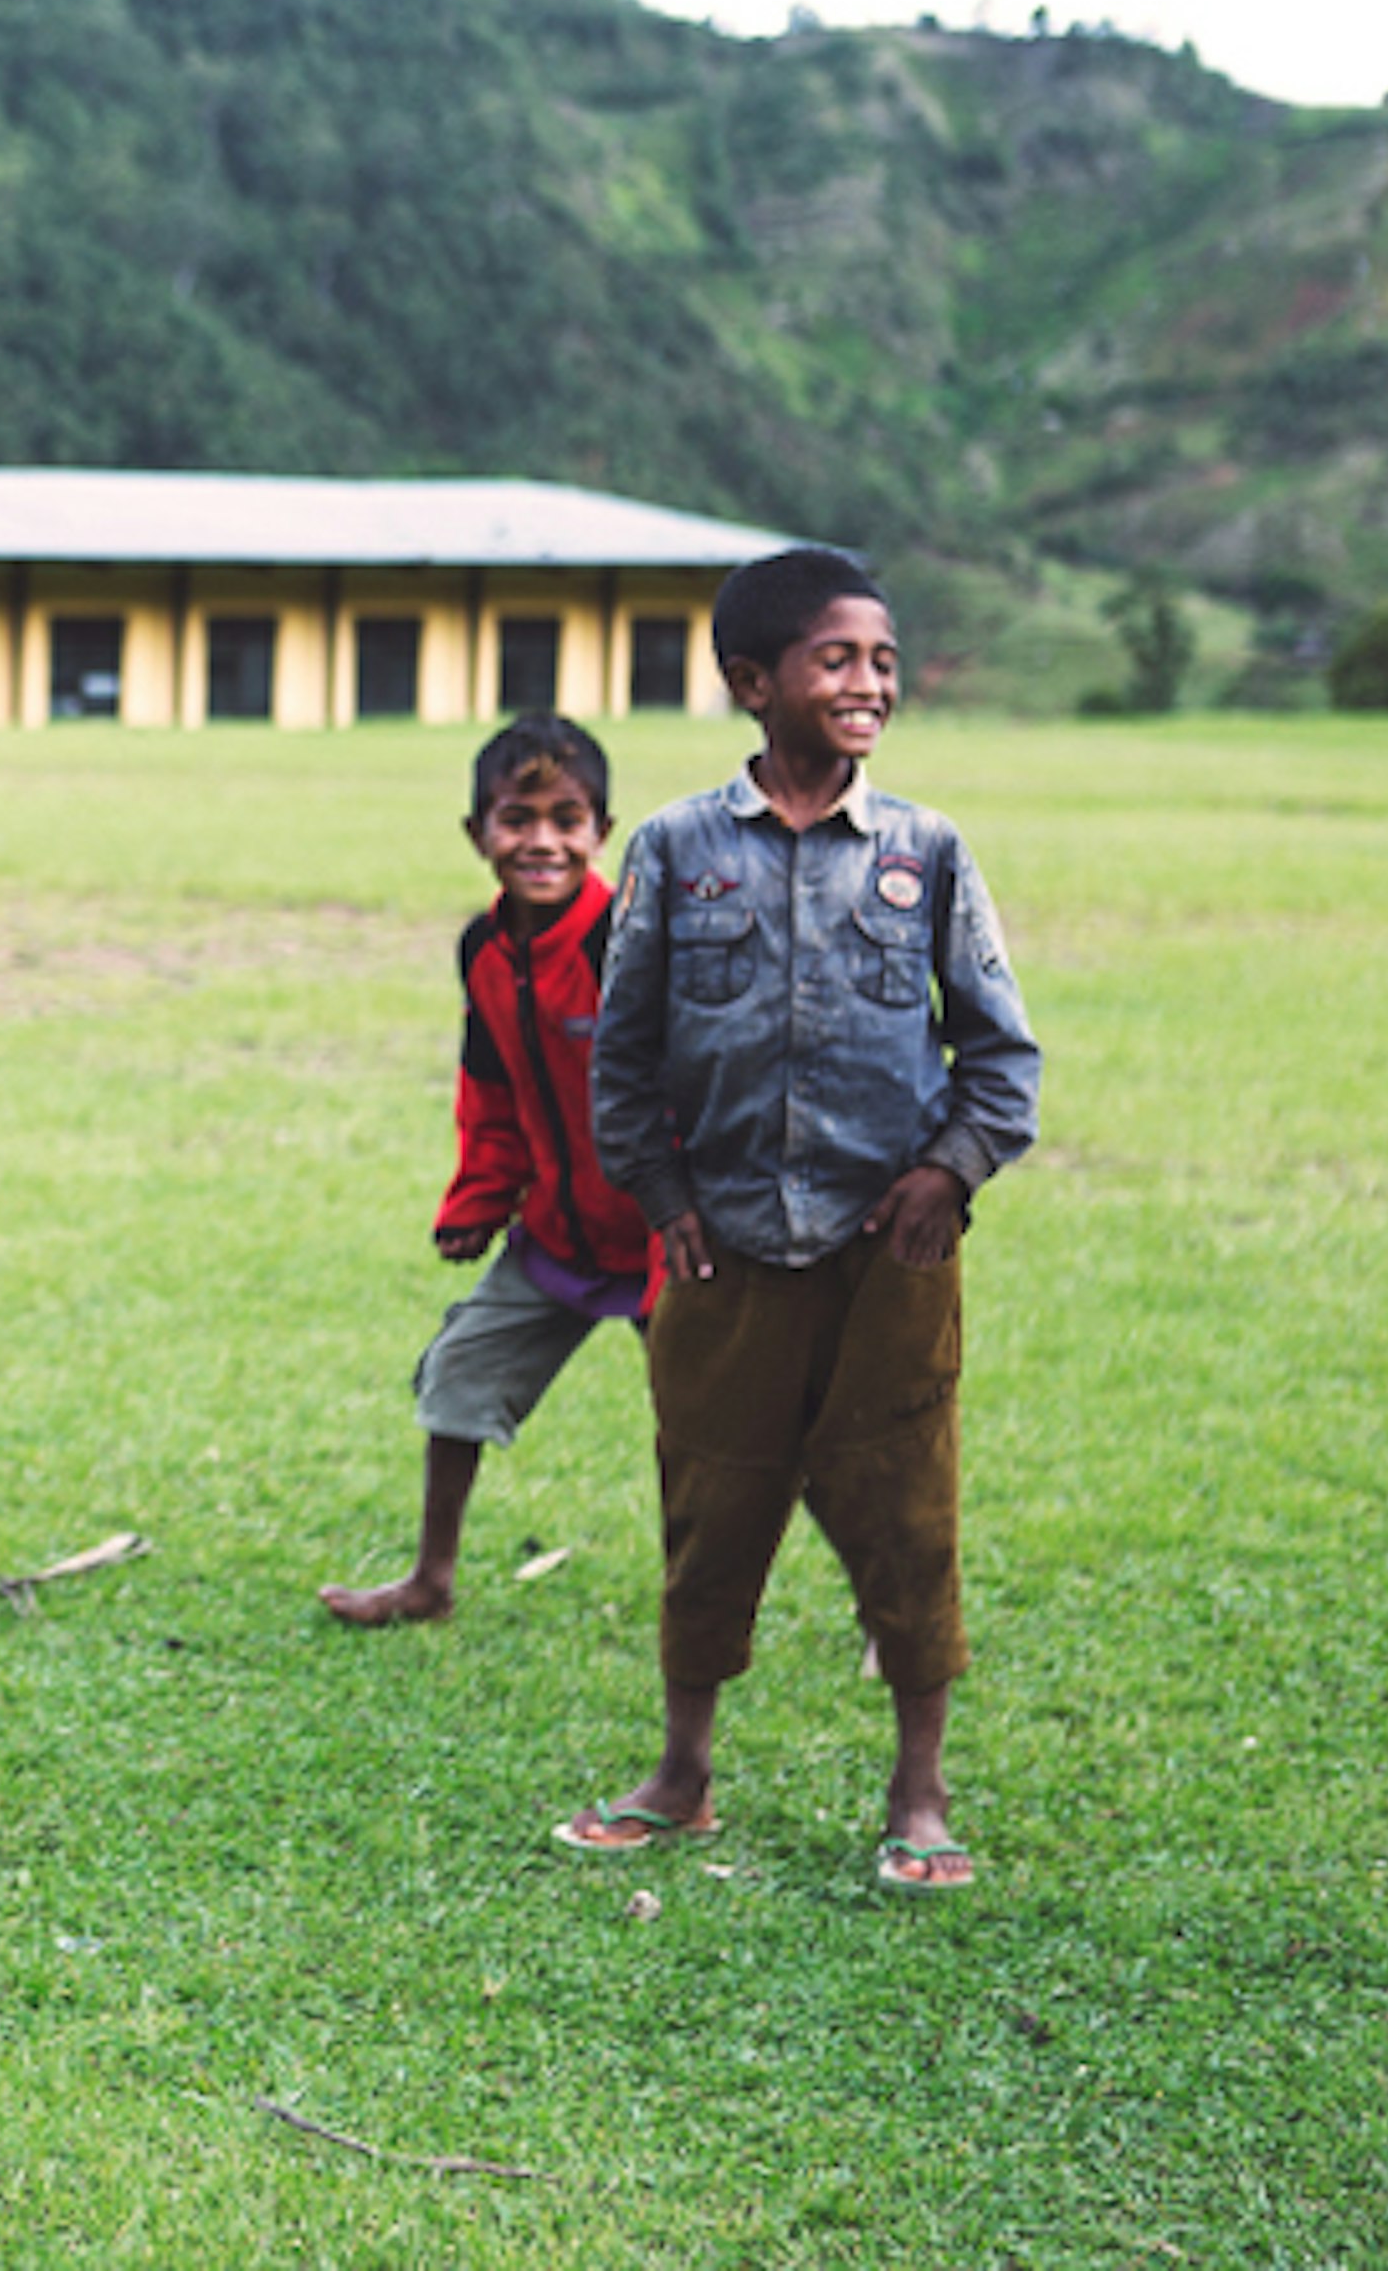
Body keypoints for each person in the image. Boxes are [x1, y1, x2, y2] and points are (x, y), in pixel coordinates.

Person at [561, 546, 1039, 1891]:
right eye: (839, 658)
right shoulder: (671, 848)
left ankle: (921, 1788)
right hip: (721, 1255)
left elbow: (1004, 1055)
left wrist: (948, 1170)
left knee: (907, 1508)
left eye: (884, 660)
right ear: (751, 681)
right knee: (710, 1504)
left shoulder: (927, 852)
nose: (870, 682)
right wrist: (661, 1196)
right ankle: (682, 1771)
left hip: (887, 1263)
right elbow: (627, 1054)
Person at [322, 716, 658, 1627]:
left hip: (669, 1236)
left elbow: (696, 1091)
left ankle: (870, 1609)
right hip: (556, 1232)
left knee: (730, 1429)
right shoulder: (484, 949)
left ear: (601, 829)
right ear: (478, 833)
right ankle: (430, 1581)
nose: (541, 841)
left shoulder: (631, 940)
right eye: (517, 818)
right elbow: (491, 1087)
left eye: (567, 818)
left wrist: (694, 1224)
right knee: (459, 1375)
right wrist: (478, 1200)